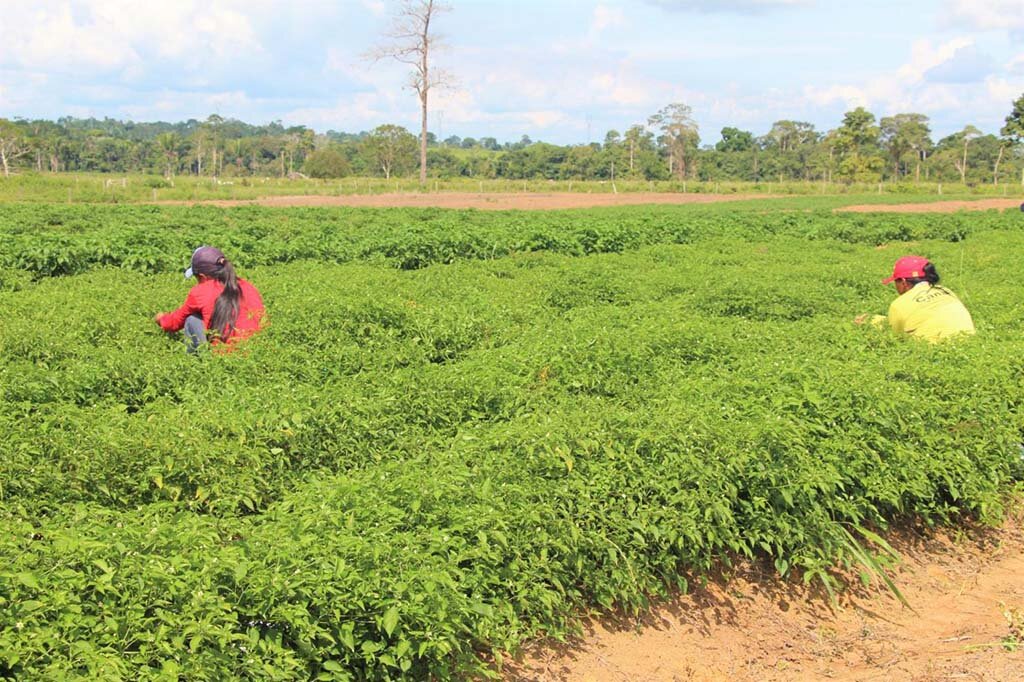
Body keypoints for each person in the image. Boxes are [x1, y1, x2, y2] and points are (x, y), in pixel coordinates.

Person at [155, 246, 265, 352]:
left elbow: (174, 323)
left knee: (192, 319)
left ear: (203, 276)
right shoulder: (248, 286)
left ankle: (195, 362)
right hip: (256, 350)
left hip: (222, 355)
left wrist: (161, 319)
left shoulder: (200, 292)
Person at [855, 255, 974, 343]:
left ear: (903, 282)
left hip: (934, 354)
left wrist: (868, 322)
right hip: (970, 344)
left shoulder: (899, 305)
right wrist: (874, 319)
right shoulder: (946, 290)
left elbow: (893, 335)